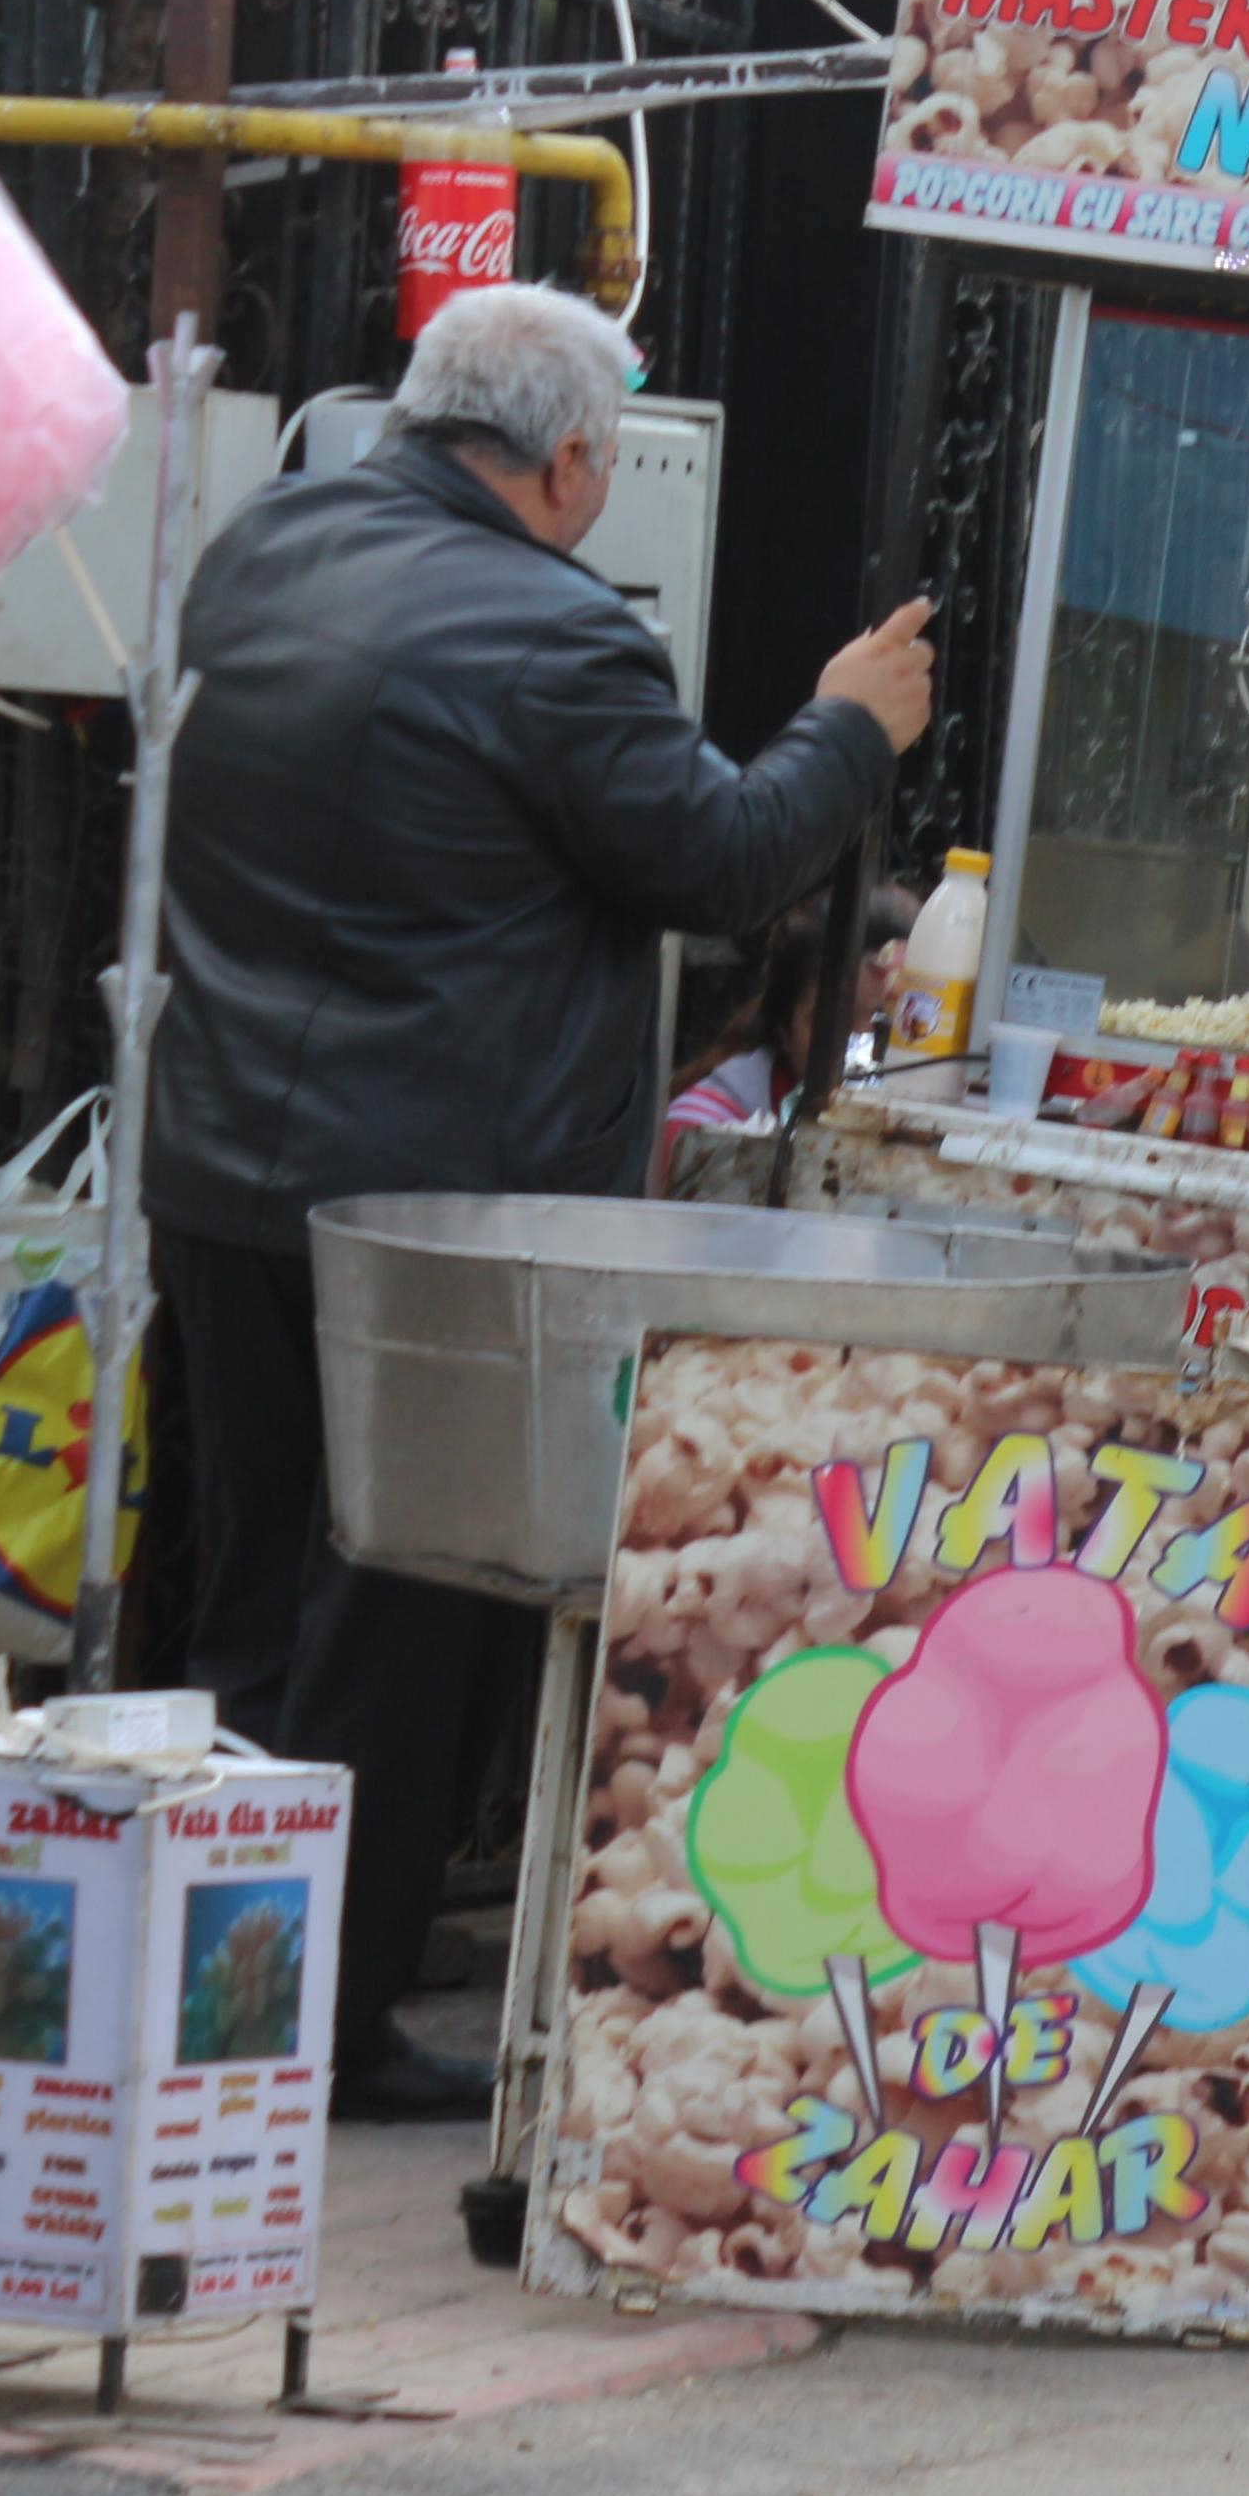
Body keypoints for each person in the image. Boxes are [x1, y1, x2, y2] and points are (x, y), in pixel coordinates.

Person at [147, 284, 935, 2122]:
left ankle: (206, 1984)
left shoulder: (257, 556)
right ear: (573, 460)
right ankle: (309, 2028)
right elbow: (719, 853)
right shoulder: (552, 636)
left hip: (229, 1174)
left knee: (250, 1592)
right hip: (429, 1213)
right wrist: (847, 728)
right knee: (396, 1617)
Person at [660, 882, 917, 1151]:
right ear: (784, 1032)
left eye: (892, 1028)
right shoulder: (702, 1137)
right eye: (833, 1025)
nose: (861, 1048)